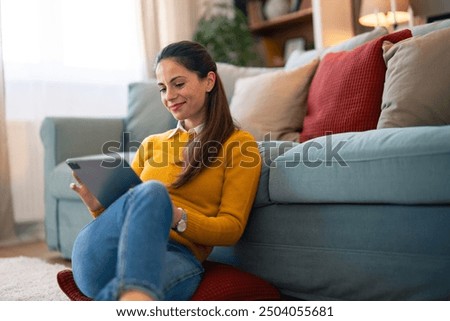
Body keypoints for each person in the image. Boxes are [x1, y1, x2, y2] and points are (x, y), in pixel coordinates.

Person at [69, 40, 262, 301]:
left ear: (209, 81)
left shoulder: (239, 145)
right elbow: (126, 211)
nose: (169, 96)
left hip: (176, 256)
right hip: (103, 254)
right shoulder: (152, 144)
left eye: (178, 84)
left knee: (153, 195)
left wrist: (176, 217)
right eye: (162, 88)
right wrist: (97, 207)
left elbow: (232, 228)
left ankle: (129, 297)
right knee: (151, 193)